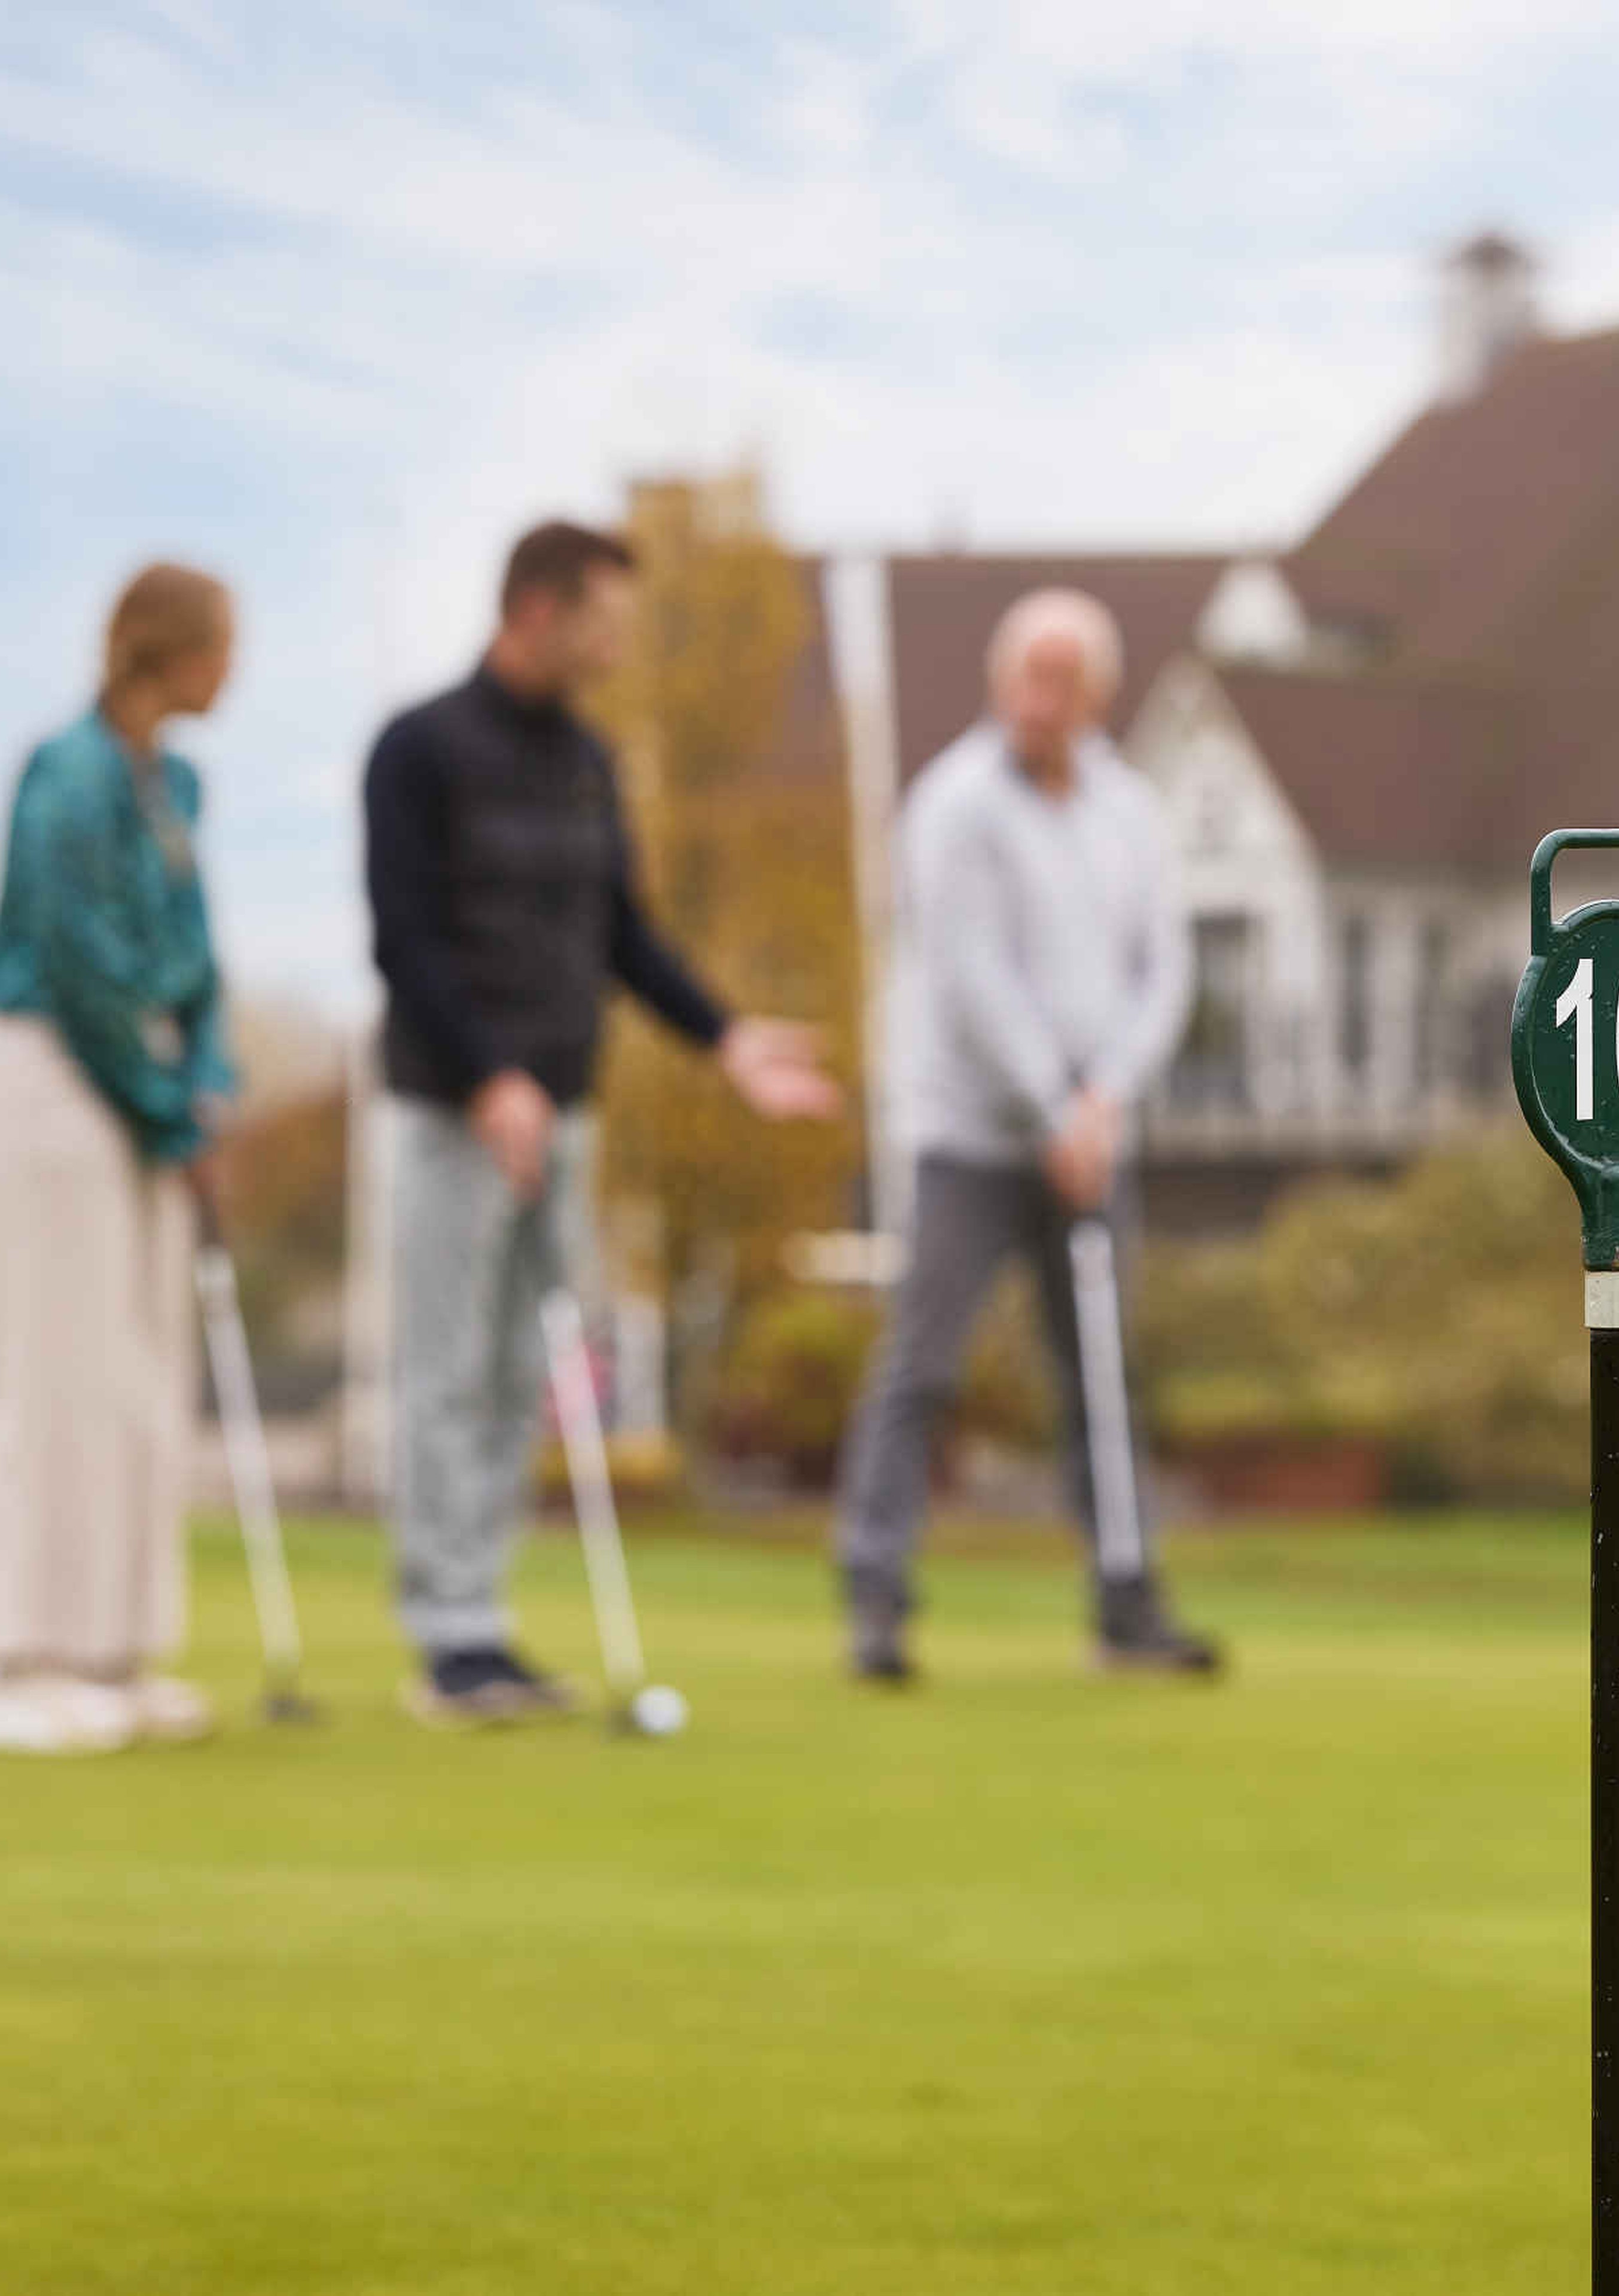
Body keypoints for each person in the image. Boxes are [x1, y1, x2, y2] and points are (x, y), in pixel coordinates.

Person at [364, 520, 838, 1727]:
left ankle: (482, 1620)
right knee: (447, 1368)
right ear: (540, 607)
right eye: (608, 617)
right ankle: (445, 1636)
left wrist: (726, 1039)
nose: (623, 641)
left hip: (562, 1112)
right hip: (445, 1111)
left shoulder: (584, 758)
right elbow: (404, 938)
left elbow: (621, 933)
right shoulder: (419, 750)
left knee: (525, 1370)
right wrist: (486, 1078)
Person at [836, 588, 1218, 1684]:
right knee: (924, 1362)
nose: (1043, 701)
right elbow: (972, 977)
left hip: (1095, 1139)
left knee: (1103, 1372)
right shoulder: (952, 807)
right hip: (972, 1136)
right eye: (1028, 676)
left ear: (1100, 694)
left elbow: (1165, 972)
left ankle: (1128, 1597)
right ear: (1001, 683)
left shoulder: (1131, 812)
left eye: (1066, 680)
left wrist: (1103, 1100)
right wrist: (1056, 1105)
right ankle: (876, 1592)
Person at [0, 564, 240, 1755]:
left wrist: (208, 1083)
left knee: (142, 1377)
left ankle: (113, 1647)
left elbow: (197, 958)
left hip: (147, 1098)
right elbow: (73, 954)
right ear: (172, 647)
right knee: (56, 1373)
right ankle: (27, 1654)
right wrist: (161, 1106)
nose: (235, 664)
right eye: (223, 641)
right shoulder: (67, 770)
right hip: (55, 1080)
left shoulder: (176, 782)